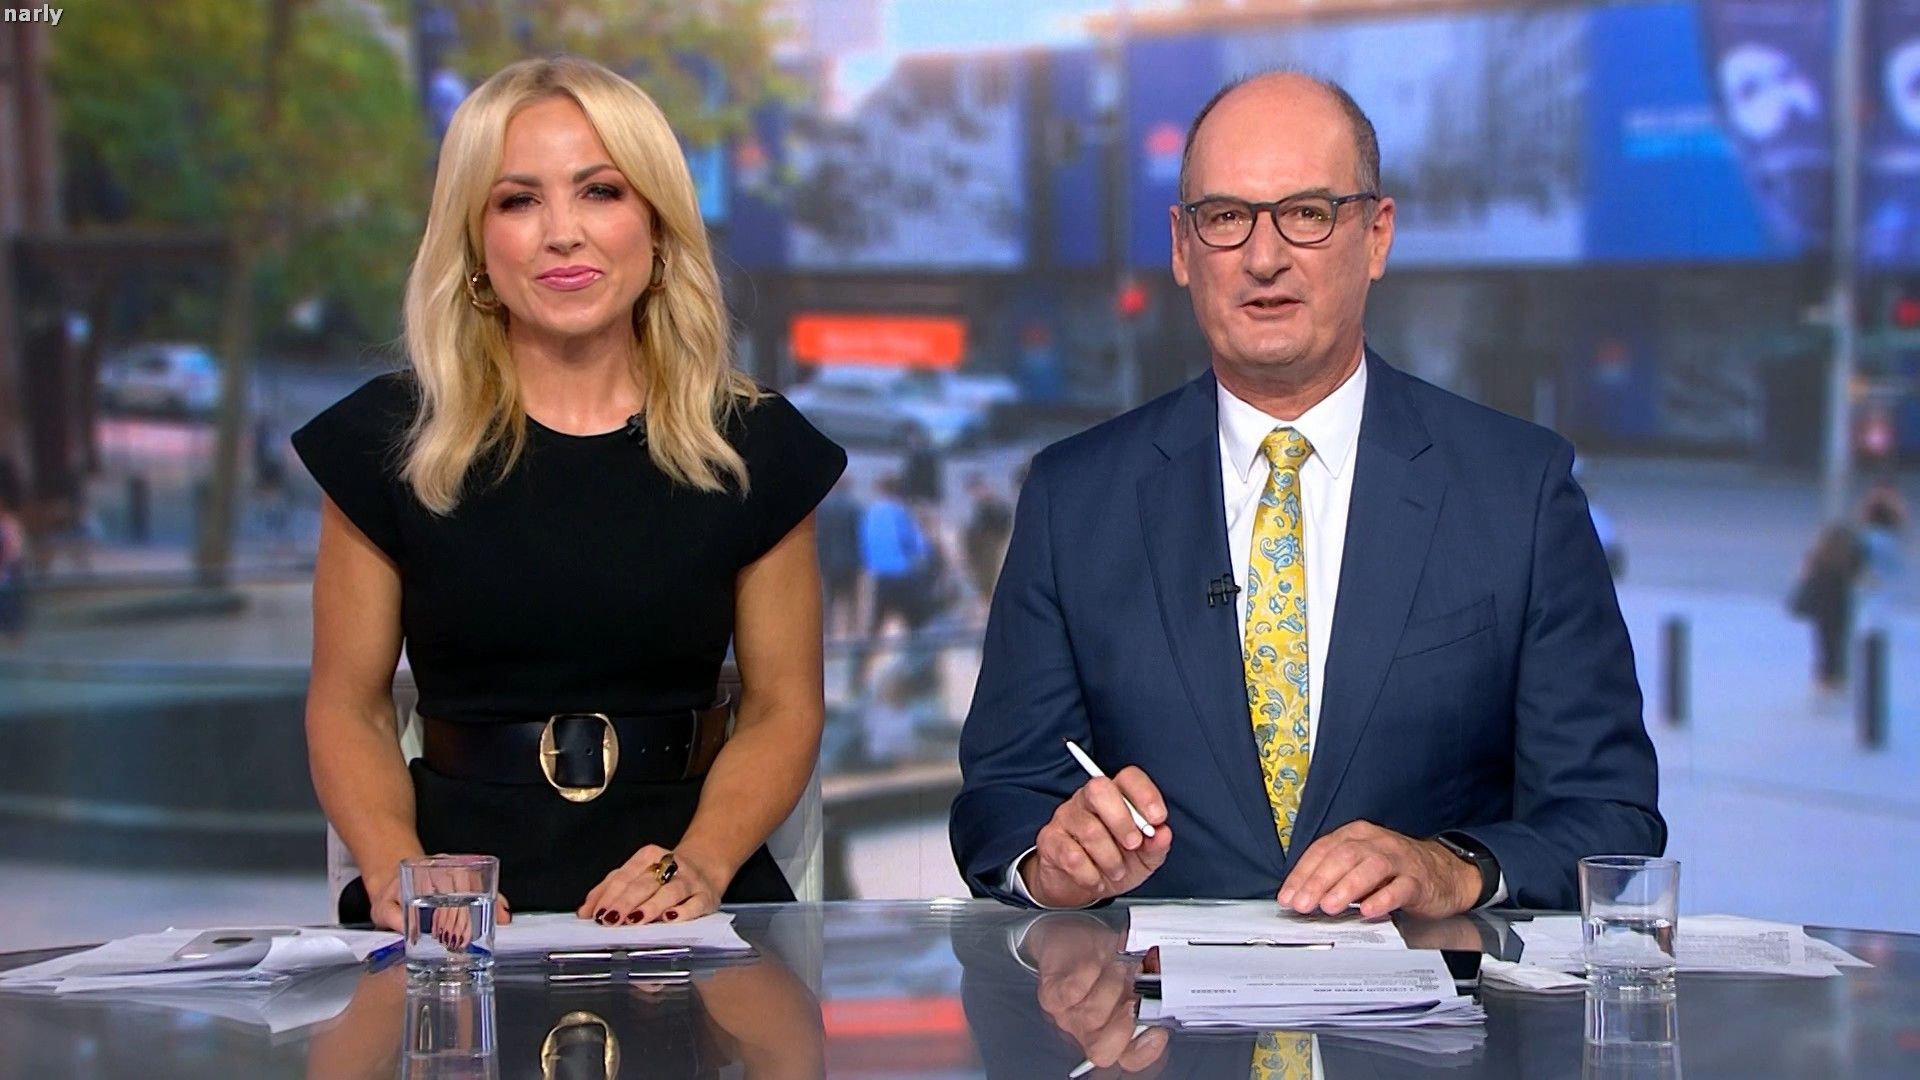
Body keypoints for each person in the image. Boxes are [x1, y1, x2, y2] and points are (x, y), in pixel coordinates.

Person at [951, 72, 1662, 916]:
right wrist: (1049, 862)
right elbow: (1002, 797)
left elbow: (1608, 814)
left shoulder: (1518, 491)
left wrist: (1453, 867)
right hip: (1151, 1000)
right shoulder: (1074, 500)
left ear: (1376, 236)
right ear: (1181, 247)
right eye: (1227, 217)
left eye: (1307, 214)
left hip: (1427, 997)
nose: (1264, 257)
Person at [293, 56, 845, 930]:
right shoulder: (386, 441)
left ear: (656, 226)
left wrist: (699, 862)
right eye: (518, 201)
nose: (563, 234)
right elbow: (348, 706)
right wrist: (400, 867)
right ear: (475, 244)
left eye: (600, 192)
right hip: (456, 894)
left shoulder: (753, 445)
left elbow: (784, 708)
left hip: (686, 886)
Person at [1792, 522, 1866, 694]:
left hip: (1821, 603)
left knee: (1824, 641)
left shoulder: (1817, 556)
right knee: (1839, 641)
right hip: (1840, 602)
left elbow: (1804, 575)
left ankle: (1825, 678)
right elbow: (1858, 577)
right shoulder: (1851, 555)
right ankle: (1838, 677)